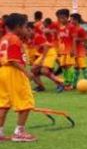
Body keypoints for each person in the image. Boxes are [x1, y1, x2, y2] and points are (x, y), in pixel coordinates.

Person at [0, 13, 37, 142]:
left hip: (3, 72)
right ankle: (19, 132)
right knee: (26, 102)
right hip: (14, 72)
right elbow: (13, 59)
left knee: (3, 104)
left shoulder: (4, 38)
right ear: (18, 26)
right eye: (25, 26)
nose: (26, 28)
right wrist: (26, 72)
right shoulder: (14, 39)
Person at [31, 18, 64, 92]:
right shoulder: (30, 36)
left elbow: (46, 46)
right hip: (44, 53)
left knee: (44, 71)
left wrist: (42, 59)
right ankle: (41, 87)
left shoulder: (37, 36)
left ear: (31, 30)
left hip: (50, 52)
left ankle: (60, 83)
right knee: (33, 69)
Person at [55, 9, 76, 89]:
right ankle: (66, 81)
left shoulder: (71, 27)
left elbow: (74, 39)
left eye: (63, 18)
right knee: (63, 66)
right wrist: (59, 51)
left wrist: (73, 50)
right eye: (60, 18)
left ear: (67, 18)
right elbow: (60, 40)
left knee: (69, 66)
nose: (61, 20)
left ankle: (70, 83)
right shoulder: (61, 27)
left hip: (69, 50)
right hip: (62, 50)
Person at [70, 13, 87, 86]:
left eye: (72, 19)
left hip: (80, 51)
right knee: (76, 68)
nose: (70, 21)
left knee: (83, 67)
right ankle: (74, 84)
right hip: (74, 51)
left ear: (76, 20)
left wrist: (78, 39)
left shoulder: (80, 29)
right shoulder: (71, 29)